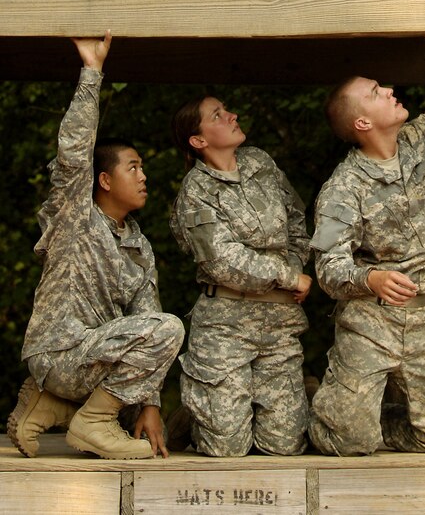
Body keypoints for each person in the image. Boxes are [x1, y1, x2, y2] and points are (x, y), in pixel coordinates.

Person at [308, 35, 425, 456]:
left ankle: (366, 418)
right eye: (376, 93)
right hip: (369, 323)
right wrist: (370, 278)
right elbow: (328, 267)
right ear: (362, 123)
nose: (390, 90)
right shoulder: (342, 188)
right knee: (349, 441)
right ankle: (327, 415)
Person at [7, 31, 185, 460]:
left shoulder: (139, 245)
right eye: (133, 167)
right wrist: (92, 71)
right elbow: (74, 155)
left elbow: (147, 322)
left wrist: (151, 404)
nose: (144, 177)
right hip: (60, 354)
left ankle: (52, 406)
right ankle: (91, 421)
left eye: (143, 168)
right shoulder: (75, 217)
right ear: (104, 180)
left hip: (91, 362)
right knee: (170, 328)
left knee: (152, 350)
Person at [170, 95, 312, 457]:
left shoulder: (260, 162)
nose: (232, 115)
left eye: (226, 110)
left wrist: (295, 266)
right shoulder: (196, 191)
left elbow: (296, 219)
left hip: (280, 325)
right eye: (217, 115)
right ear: (198, 141)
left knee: (284, 447)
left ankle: (299, 395)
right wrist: (287, 276)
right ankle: (196, 415)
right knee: (226, 448)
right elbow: (222, 261)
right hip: (225, 329)